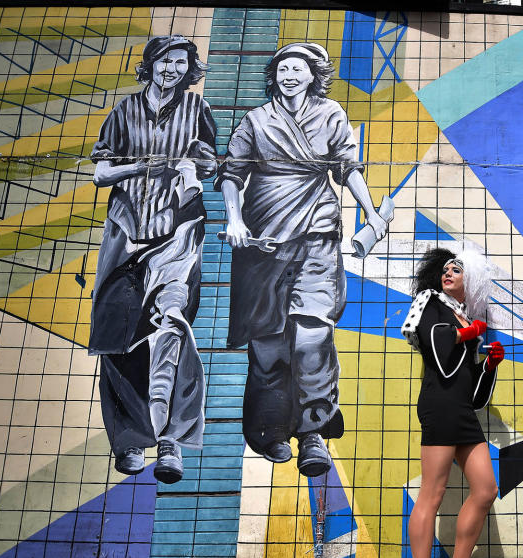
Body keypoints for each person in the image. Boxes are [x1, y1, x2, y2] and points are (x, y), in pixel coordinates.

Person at [216, 43, 388, 476]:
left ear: (314, 75)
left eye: (299, 68)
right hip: (262, 239)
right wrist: (234, 219)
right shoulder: (255, 121)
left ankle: (313, 432)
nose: (290, 74)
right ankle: (271, 431)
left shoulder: (331, 115)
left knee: (312, 337)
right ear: (273, 77)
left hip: (317, 230)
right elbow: (232, 174)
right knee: (269, 345)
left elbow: (348, 167)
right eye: (282, 69)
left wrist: (369, 211)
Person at [89, 35, 216, 484]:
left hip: (178, 229)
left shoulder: (196, 109)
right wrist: (140, 165)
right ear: (151, 63)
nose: (172, 70)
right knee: (117, 336)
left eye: (181, 63)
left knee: (172, 325)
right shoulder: (124, 111)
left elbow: (209, 163)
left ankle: (170, 440)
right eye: (165, 61)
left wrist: (196, 168)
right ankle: (128, 439)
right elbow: (100, 171)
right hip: (126, 230)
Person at [400, 248, 505, 558]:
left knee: (485, 490)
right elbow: (441, 359)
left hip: (462, 411)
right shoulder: (432, 305)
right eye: (444, 268)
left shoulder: (466, 318)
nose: (448, 272)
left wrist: (489, 365)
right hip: (439, 408)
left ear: (472, 280)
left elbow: (475, 395)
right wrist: (466, 335)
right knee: (432, 495)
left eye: (457, 269)